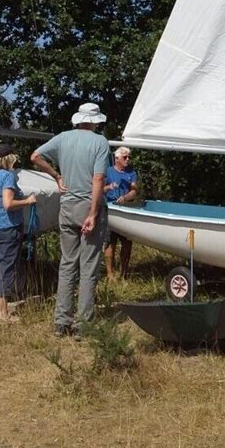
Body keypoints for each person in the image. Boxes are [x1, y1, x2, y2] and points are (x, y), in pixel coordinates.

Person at [30, 101, 109, 337]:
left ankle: (61, 321)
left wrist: (56, 175)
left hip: (67, 205)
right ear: (96, 122)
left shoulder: (63, 138)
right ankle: (83, 323)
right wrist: (94, 213)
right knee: (88, 266)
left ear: (78, 119)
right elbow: (98, 180)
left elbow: (35, 156)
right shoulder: (100, 142)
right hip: (89, 204)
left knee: (67, 263)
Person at [0, 143, 36, 324]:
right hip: (8, 228)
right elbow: (8, 204)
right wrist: (28, 201)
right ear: (9, 158)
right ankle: (3, 314)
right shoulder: (8, 177)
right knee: (6, 268)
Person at [104, 147, 138, 279]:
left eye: (129, 157)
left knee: (127, 243)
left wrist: (126, 198)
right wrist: (108, 187)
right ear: (117, 158)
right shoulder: (108, 172)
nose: (128, 159)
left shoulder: (131, 173)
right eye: (125, 157)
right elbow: (99, 188)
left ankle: (124, 273)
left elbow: (135, 190)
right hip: (111, 211)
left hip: (126, 211)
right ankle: (110, 274)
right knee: (109, 242)